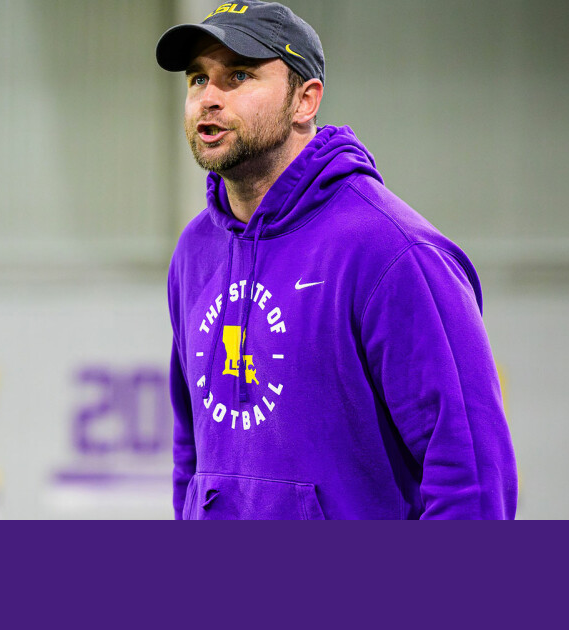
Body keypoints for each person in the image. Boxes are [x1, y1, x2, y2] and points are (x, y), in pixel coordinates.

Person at [158, 1, 518, 519]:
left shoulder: (393, 252)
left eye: (238, 75)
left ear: (305, 100)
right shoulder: (196, 250)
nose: (208, 98)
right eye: (197, 79)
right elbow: (191, 450)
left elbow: (474, 482)